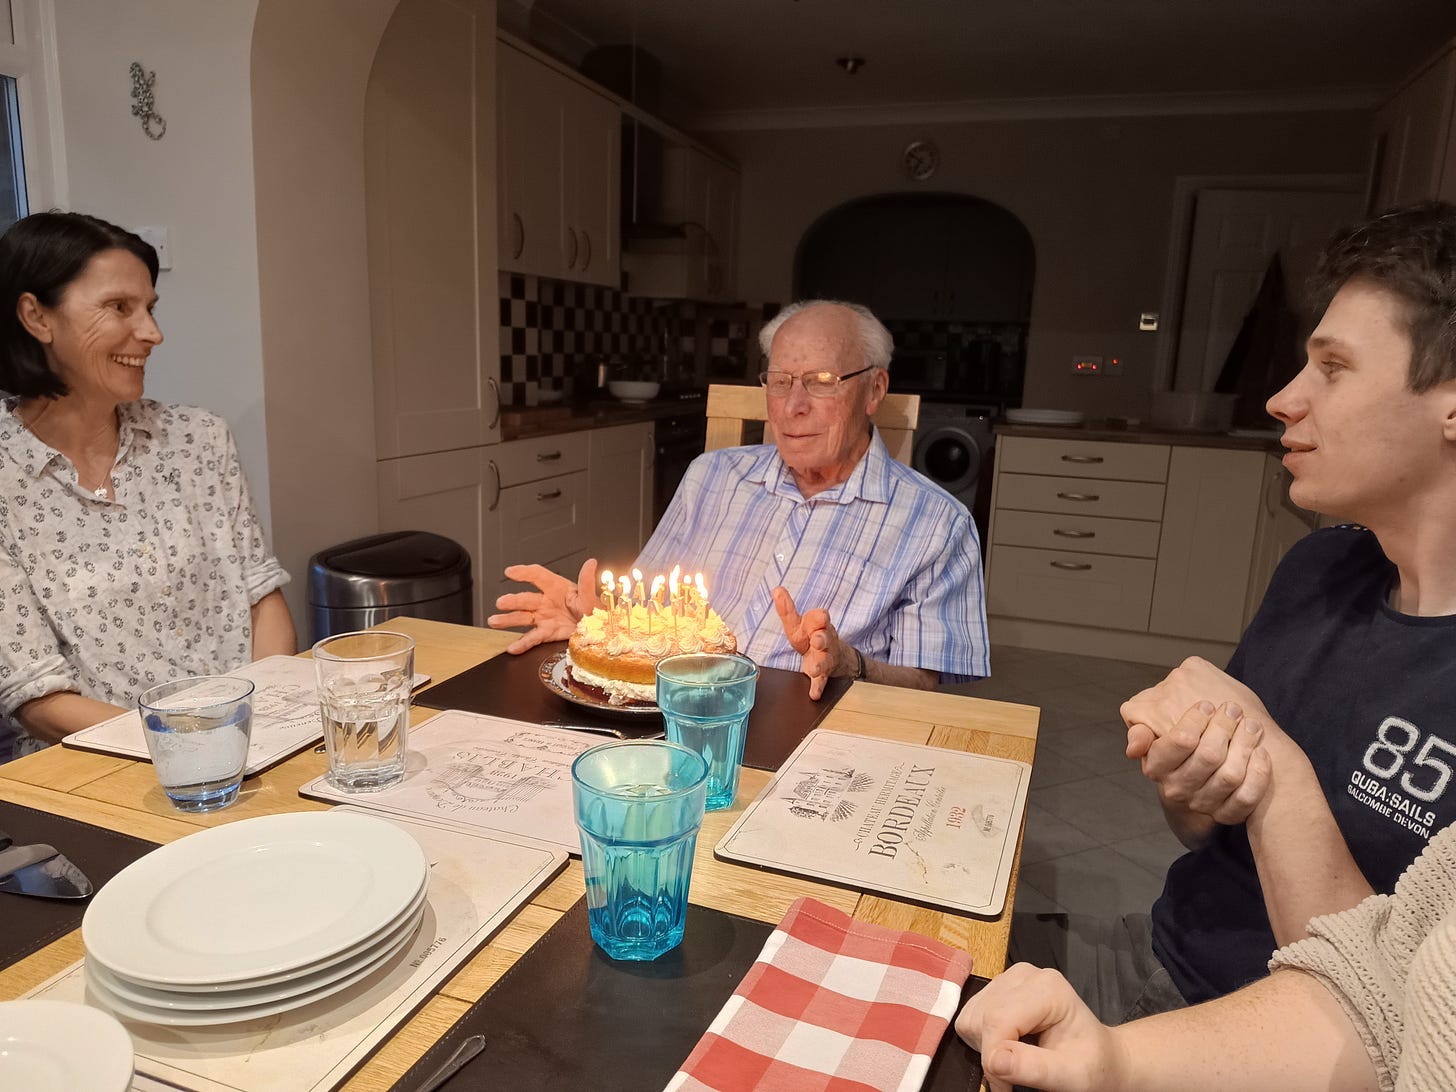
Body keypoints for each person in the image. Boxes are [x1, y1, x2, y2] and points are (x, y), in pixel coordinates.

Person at [1009, 200, 1456, 1023]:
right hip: (1156, 956)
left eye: (1333, 367)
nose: (1283, 399)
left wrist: (1275, 769)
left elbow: (1401, 1032)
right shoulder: (1318, 569)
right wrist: (1196, 785)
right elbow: (1201, 833)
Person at [487, 299, 989, 697]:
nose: (793, 407)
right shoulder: (712, 476)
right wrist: (594, 620)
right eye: (780, 381)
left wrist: (847, 663)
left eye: (820, 383)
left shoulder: (938, 526)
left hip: (803, 740)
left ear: (874, 390)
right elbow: (653, 610)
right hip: (660, 717)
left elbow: (926, 687)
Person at [957, 706, 1456, 1092]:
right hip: (1158, 943)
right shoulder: (1315, 579)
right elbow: (1373, 998)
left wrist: (1272, 767)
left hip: (1246, 1037)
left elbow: (1373, 1007)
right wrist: (1189, 786)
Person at [0, 211, 295, 758]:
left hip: (254, 745)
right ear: (36, 317)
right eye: (119, 308)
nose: (152, 334)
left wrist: (262, 725)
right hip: (99, 773)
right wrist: (197, 745)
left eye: (150, 309)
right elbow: (37, 697)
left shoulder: (198, 440)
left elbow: (262, 600)